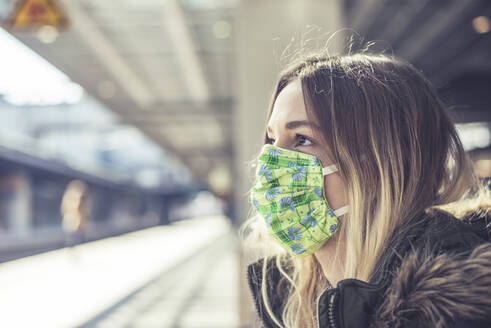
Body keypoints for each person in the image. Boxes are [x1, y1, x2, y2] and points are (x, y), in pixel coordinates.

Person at [242, 51, 491, 328]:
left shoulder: (458, 312)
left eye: (302, 139)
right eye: (273, 138)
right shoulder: (288, 303)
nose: (269, 162)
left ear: (381, 162)